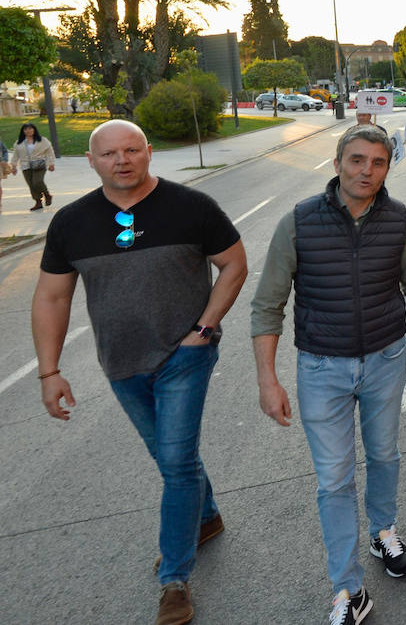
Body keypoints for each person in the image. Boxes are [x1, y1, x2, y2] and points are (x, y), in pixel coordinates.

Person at [32, 120, 248, 625]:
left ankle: (174, 579)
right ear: (91, 160)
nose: (121, 160)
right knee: (170, 455)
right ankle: (207, 517)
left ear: (149, 153)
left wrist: (204, 329)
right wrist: (49, 371)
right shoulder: (70, 222)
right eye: (109, 153)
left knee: (174, 464)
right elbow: (52, 296)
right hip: (120, 362)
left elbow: (234, 264)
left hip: (185, 357)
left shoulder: (192, 208)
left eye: (132, 150)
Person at [251, 123, 406, 625]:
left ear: (389, 167)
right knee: (334, 480)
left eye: (378, 162)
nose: (367, 171)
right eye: (357, 160)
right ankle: (348, 589)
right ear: (339, 162)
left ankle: (383, 531)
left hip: (386, 360)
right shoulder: (298, 222)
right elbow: (266, 306)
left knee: (385, 454)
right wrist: (267, 379)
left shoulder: (399, 219)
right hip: (321, 369)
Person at [11, 122, 55, 211]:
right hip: (25, 166)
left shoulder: (42, 140)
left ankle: (47, 195)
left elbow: (50, 152)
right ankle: (38, 202)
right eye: (26, 129)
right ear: (23, 131)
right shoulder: (19, 143)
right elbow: (16, 155)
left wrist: (51, 163)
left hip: (39, 165)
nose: (28, 131)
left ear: (34, 130)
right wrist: (14, 166)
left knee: (37, 182)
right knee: (31, 185)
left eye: (30, 128)